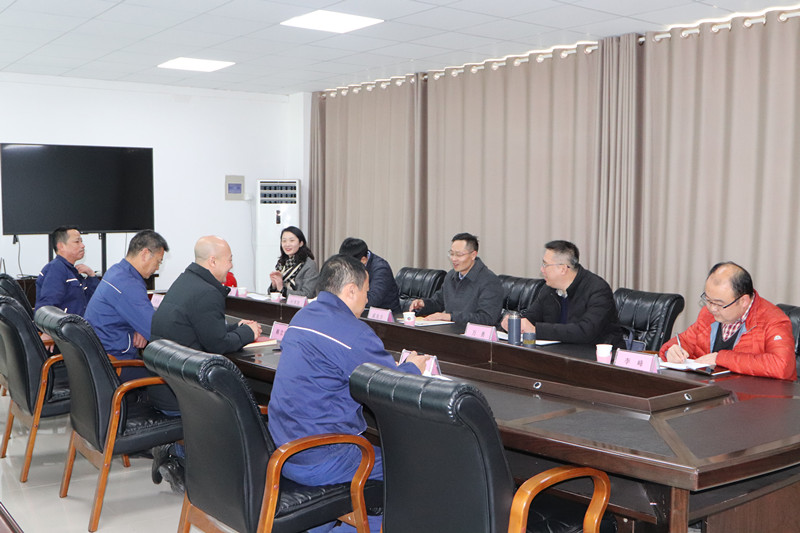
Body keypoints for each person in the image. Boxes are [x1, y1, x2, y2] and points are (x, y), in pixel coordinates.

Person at [268, 254, 429, 533]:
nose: (367, 301)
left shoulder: (302, 316)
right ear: (351, 290)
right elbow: (391, 385)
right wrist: (413, 368)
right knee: (412, 468)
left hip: (283, 448)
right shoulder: (353, 332)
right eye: (366, 292)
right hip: (322, 455)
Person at [659, 262, 796, 380]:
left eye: (719, 303)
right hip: (713, 393)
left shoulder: (773, 320)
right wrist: (671, 351)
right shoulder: (708, 314)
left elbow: (782, 366)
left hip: (756, 398)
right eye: (708, 300)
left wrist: (720, 358)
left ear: (743, 301)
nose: (712, 308)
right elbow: (684, 341)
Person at [151, 235, 261, 354]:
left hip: (167, 360)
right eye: (229, 260)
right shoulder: (208, 292)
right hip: (185, 363)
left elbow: (204, 330)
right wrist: (249, 332)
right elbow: (219, 346)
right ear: (213, 261)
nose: (231, 266)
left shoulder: (185, 280)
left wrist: (236, 327)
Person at [502, 240, 623, 346]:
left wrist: (536, 330)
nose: (542, 270)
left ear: (563, 269)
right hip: (560, 352)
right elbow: (532, 316)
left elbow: (585, 331)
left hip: (595, 355)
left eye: (545, 265)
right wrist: (514, 322)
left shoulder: (598, 289)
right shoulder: (549, 288)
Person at [409, 232, 503, 326]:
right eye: (452, 254)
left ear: (473, 255)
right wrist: (423, 304)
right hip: (451, 331)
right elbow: (438, 302)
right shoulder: (451, 276)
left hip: (472, 334)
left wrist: (450, 317)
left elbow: (487, 318)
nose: (453, 259)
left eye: (459, 255)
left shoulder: (489, 281)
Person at [35, 226, 99, 316]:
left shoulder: (72, 271)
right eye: (77, 242)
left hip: (80, 323)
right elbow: (48, 308)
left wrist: (92, 276)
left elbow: (95, 300)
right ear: (61, 246)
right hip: (66, 324)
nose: (82, 245)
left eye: (81, 241)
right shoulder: (56, 269)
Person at [338, 237, 401, 313]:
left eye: (349, 264)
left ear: (363, 260)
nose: (346, 267)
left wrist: (345, 297)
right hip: (358, 312)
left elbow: (373, 300)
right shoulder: (345, 265)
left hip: (384, 316)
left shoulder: (381, 269)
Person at [269, 226, 318, 298]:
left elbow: (308, 294)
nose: (287, 244)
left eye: (291, 240)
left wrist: (282, 290)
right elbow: (271, 294)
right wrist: (274, 284)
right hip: (281, 303)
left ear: (301, 243)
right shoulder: (281, 263)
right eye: (284, 241)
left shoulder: (308, 264)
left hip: (299, 305)